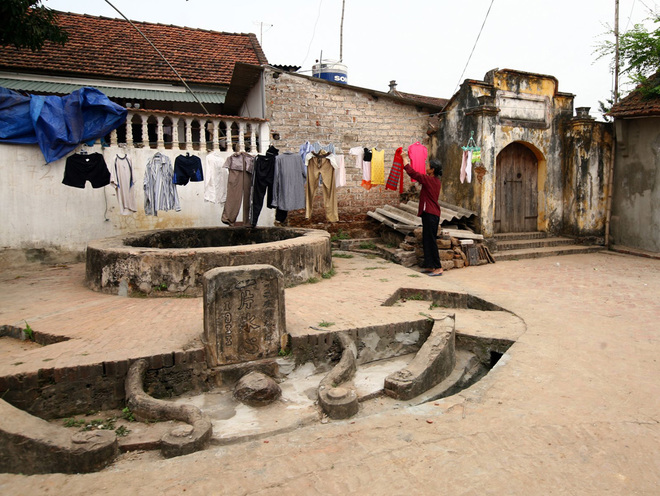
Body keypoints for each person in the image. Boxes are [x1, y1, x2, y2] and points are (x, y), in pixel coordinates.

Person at [402, 151, 443, 276]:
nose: (426, 167)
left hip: (431, 214)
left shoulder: (430, 180)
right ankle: (430, 266)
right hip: (429, 214)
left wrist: (404, 158)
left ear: (432, 170)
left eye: (428, 166)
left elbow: (412, 173)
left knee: (431, 241)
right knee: (427, 240)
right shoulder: (434, 181)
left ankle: (438, 267)